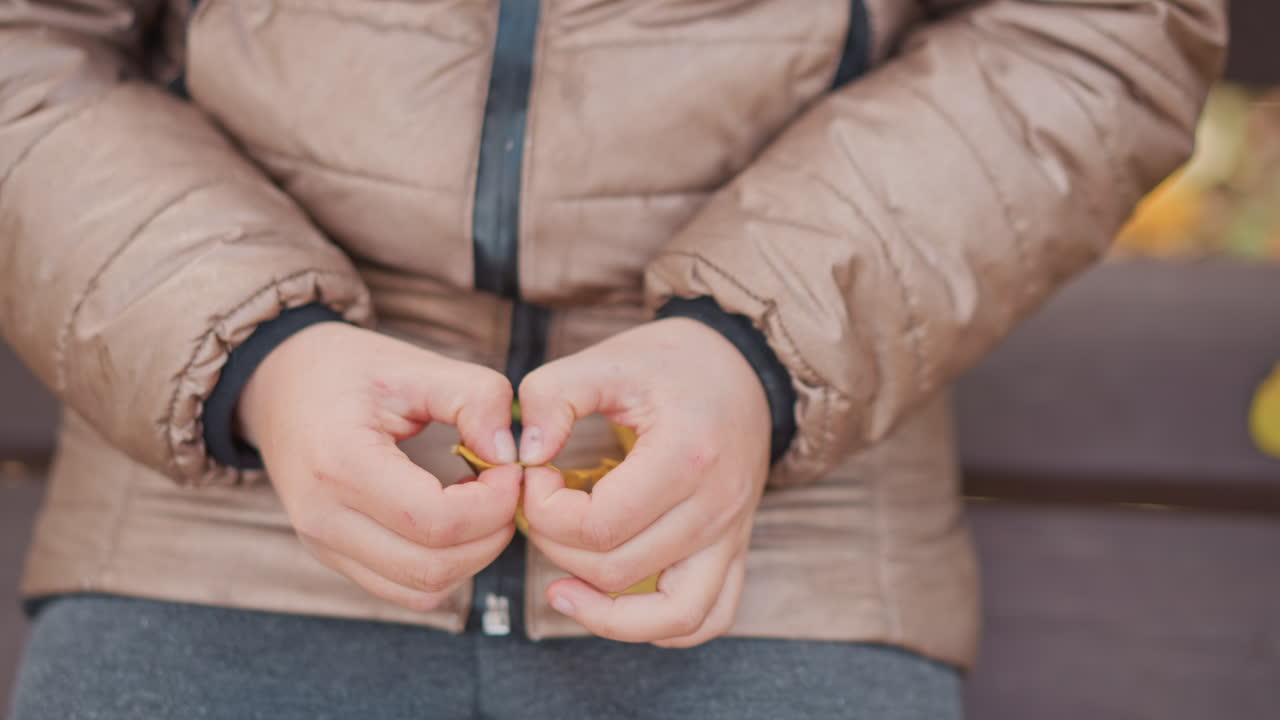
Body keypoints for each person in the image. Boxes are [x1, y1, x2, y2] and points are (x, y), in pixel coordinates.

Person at [1, 1, 1225, 718]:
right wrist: (257, 357)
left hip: (789, 523)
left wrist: (755, 350)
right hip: (209, 519)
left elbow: (1094, 29)